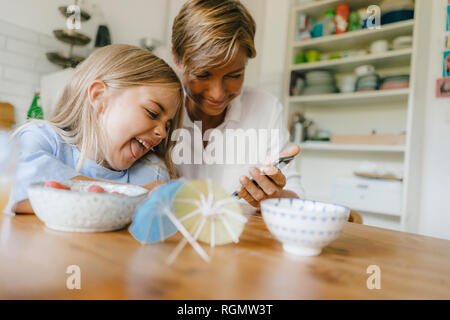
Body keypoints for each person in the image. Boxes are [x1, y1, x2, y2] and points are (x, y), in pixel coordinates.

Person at [7, 44, 184, 214]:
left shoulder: (152, 172)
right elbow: (18, 191)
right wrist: (135, 194)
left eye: (168, 124)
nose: (162, 132)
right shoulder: (42, 138)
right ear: (100, 97)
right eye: (152, 113)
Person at [171, 0, 303, 208]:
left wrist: (276, 197)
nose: (217, 94)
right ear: (177, 58)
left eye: (234, 75)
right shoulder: (158, 110)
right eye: (203, 74)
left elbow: (297, 199)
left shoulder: (266, 108)